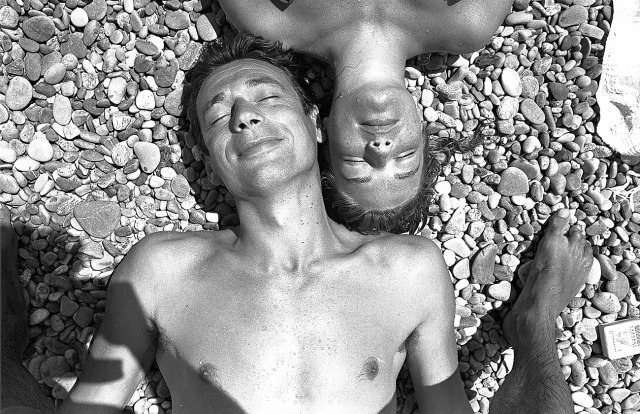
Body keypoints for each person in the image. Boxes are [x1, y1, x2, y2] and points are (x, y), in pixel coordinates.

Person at [1, 35, 594, 414]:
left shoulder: (407, 269)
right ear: (209, 157)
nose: (243, 116)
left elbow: (447, 407)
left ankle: (535, 324)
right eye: (218, 115)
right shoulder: (162, 268)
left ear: (316, 124)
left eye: (266, 97)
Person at [218, 0, 515, 233]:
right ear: (423, 132)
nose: (382, 149)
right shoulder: (469, 21)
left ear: (322, 131)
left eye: (357, 164)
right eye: (405, 157)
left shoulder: (266, 20)